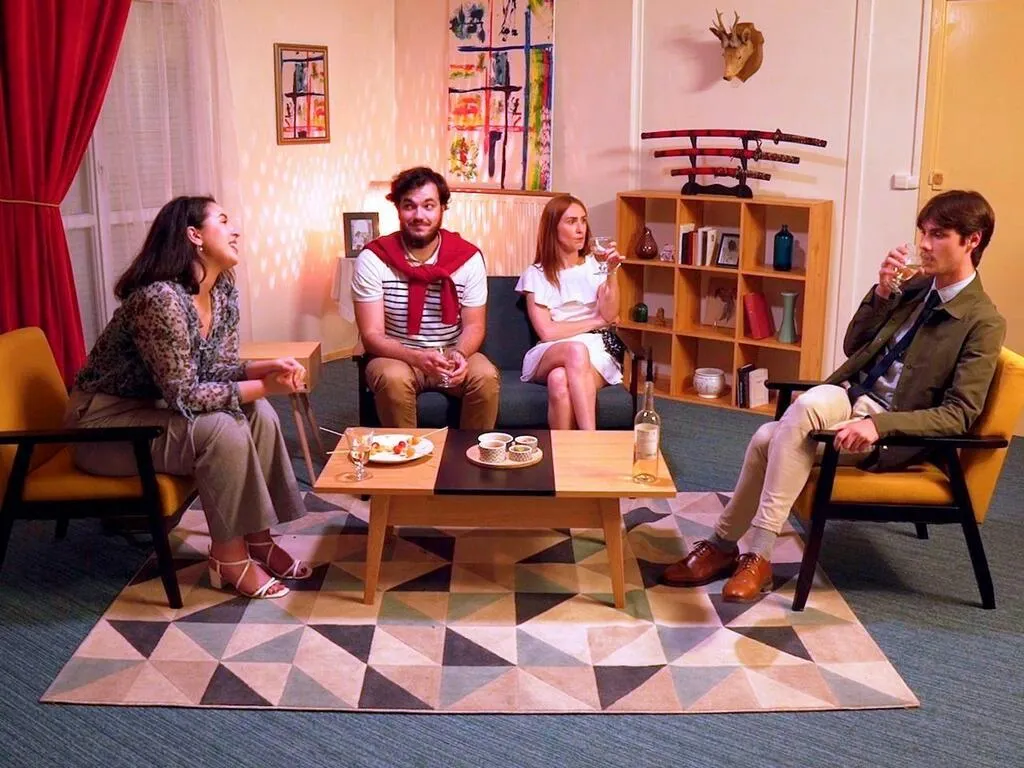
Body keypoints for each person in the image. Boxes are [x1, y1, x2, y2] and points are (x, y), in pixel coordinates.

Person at [662, 189, 1006, 601]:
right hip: (851, 394)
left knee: (768, 437)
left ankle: (735, 548)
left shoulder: (983, 322)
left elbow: (958, 414)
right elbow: (853, 346)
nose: (924, 245)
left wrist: (878, 425)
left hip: (891, 431)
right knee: (806, 406)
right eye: (923, 232)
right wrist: (881, 294)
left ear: (972, 240)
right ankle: (747, 554)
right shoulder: (915, 287)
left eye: (938, 235)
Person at [66, 196, 312, 600]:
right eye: (224, 221)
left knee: (258, 412)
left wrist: (262, 369)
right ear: (194, 236)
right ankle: (228, 557)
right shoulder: (160, 299)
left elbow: (216, 367)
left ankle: (259, 539)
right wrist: (268, 384)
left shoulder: (221, 289)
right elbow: (184, 393)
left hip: (153, 412)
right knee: (221, 430)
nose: (235, 231)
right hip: (102, 428)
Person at [352, 166, 499, 428]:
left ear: (442, 208)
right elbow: (372, 335)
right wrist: (416, 357)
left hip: (451, 353)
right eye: (409, 206)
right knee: (393, 379)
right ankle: (405, 453)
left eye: (429, 206)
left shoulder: (468, 258)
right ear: (398, 209)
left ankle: (470, 452)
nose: (419, 215)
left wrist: (460, 354)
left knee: (485, 376)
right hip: (397, 356)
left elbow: (475, 326)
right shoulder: (373, 258)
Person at [515, 194, 625, 430]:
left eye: (583, 220)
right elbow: (547, 332)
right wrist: (596, 321)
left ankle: (563, 451)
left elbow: (610, 313)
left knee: (558, 380)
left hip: (595, 351)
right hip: (551, 350)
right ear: (553, 228)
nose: (580, 229)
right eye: (572, 221)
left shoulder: (595, 265)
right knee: (576, 350)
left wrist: (611, 272)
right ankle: (590, 439)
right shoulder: (536, 274)